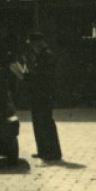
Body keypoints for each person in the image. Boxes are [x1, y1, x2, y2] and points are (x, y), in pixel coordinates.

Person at [25, 32, 62, 162]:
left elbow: (44, 77)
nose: (32, 47)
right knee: (38, 122)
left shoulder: (46, 56)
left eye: (33, 44)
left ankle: (53, 152)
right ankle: (42, 150)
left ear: (38, 43)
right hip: (37, 94)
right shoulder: (39, 56)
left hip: (44, 94)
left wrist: (28, 76)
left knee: (45, 122)